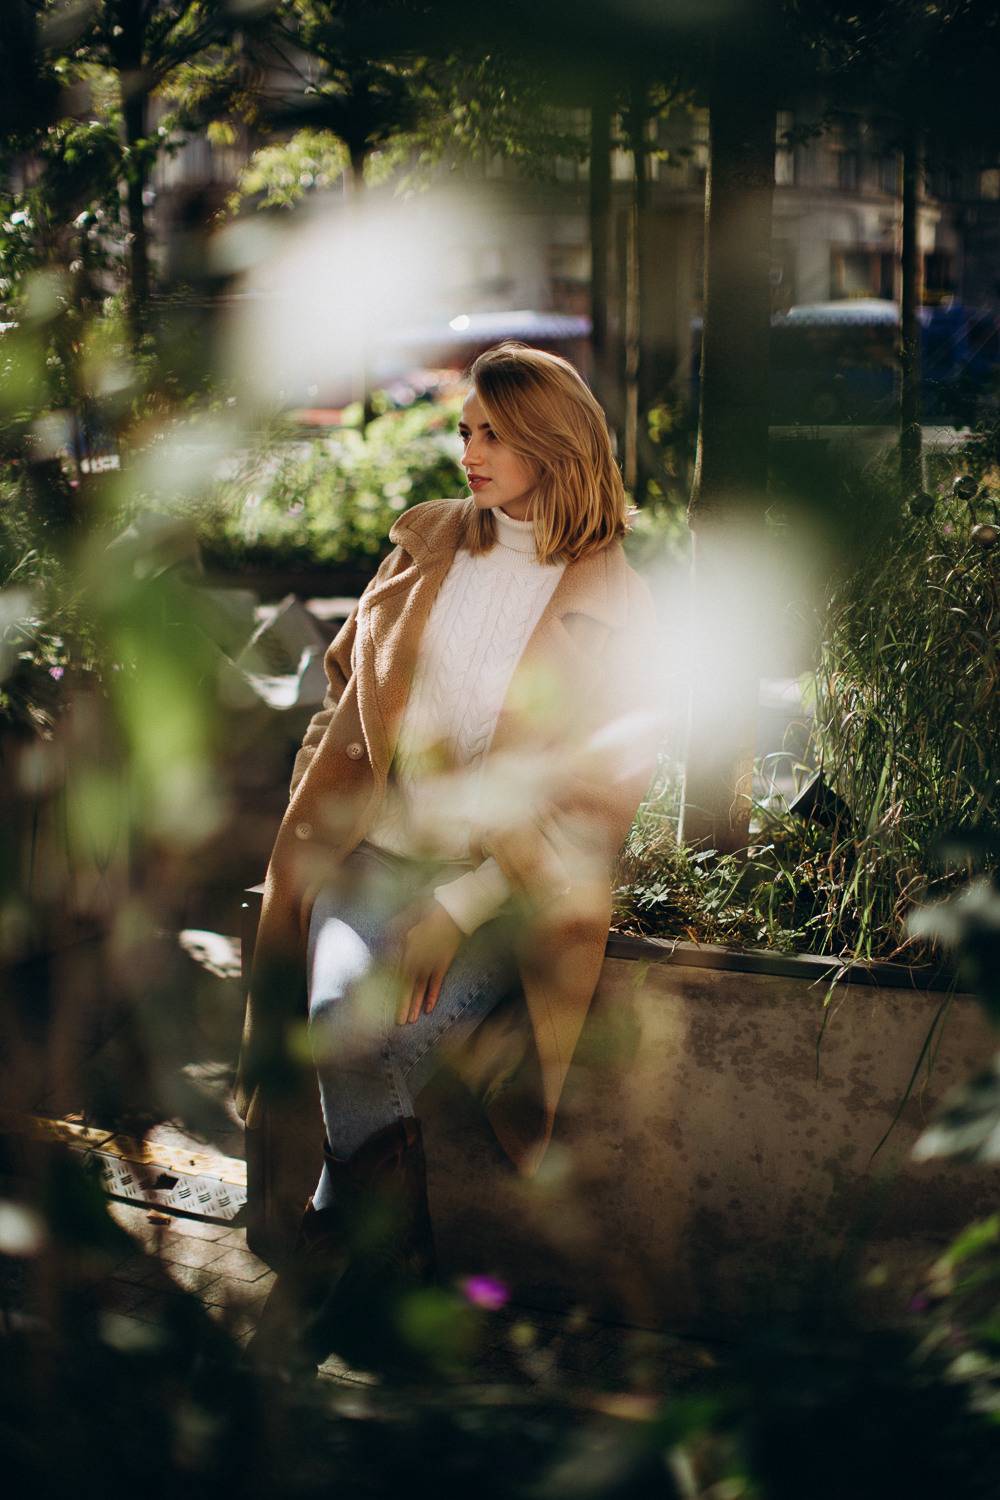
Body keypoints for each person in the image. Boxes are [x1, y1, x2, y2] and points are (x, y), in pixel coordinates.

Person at [237, 341, 662, 1375]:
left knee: (363, 1042)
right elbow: (347, 692)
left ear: (553, 446)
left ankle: (346, 1276)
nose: (466, 450)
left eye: (491, 433)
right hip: (371, 861)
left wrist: (465, 904)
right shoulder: (426, 546)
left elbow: (597, 795)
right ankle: (384, 1284)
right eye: (463, 429)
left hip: (507, 892)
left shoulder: (616, 603)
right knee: (339, 1026)